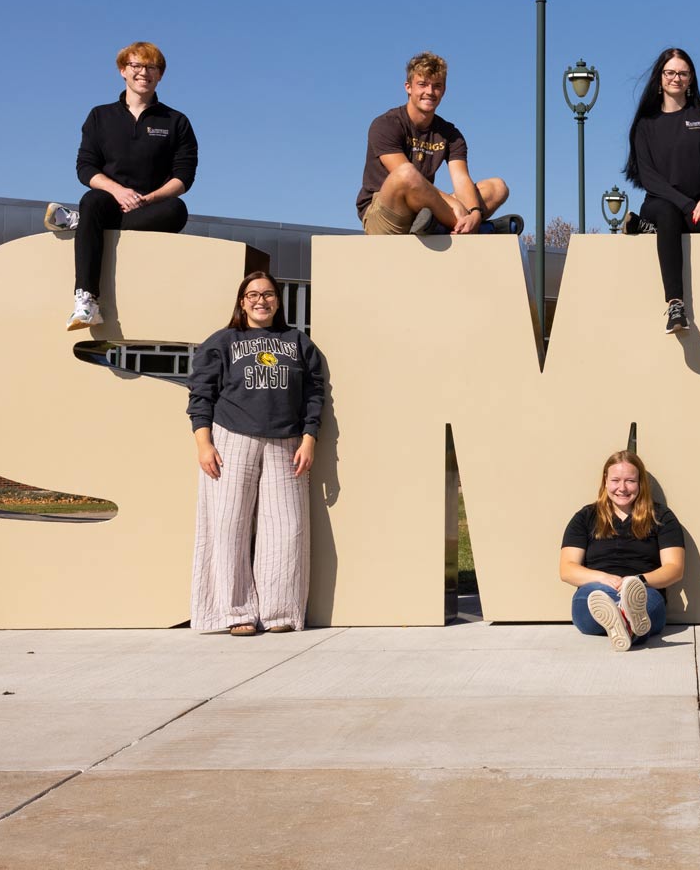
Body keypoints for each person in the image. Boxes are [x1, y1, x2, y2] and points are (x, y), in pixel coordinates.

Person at [186, 270, 328, 636]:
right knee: (228, 527)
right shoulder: (223, 341)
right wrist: (204, 443)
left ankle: (280, 612)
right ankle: (236, 614)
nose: (260, 300)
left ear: (278, 301)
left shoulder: (298, 342)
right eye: (253, 295)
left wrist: (309, 438)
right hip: (232, 438)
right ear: (242, 302)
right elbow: (200, 394)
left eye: (267, 294)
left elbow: (315, 393)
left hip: (287, 442)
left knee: (286, 529)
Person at [42, 42, 199, 332]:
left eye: (151, 67)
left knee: (177, 210)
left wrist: (147, 199)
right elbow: (86, 167)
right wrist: (118, 191)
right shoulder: (100, 116)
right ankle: (87, 301)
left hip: (152, 208)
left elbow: (183, 177)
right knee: (92, 199)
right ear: (122, 71)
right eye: (136, 66)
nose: (143, 73)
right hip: (108, 202)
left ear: (160, 75)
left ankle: (83, 223)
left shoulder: (176, 121)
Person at [622, 47, 700, 333]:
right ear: (660, 77)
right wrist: (686, 205)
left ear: (691, 78)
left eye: (683, 73)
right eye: (670, 72)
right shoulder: (646, 124)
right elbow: (649, 177)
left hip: (698, 207)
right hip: (661, 203)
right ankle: (676, 305)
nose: (676, 78)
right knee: (668, 213)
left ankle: (652, 230)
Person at [355, 52, 511, 235]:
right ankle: (471, 228)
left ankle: (449, 225)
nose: (429, 92)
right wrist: (454, 205)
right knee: (407, 174)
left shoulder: (450, 134)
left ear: (444, 90)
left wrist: (475, 212)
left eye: (437, 86)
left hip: (424, 210)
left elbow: (461, 179)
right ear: (408, 87)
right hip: (384, 210)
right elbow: (405, 178)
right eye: (422, 84)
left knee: (497, 187)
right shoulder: (386, 124)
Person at [559, 450, 685, 652]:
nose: (622, 488)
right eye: (615, 480)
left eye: (630, 481)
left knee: (641, 603)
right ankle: (629, 624)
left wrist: (637, 581)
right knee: (593, 598)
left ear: (640, 483)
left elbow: (674, 568)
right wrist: (603, 578)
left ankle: (625, 619)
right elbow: (567, 569)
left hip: (644, 592)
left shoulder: (661, 516)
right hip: (596, 591)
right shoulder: (585, 517)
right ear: (605, 481)